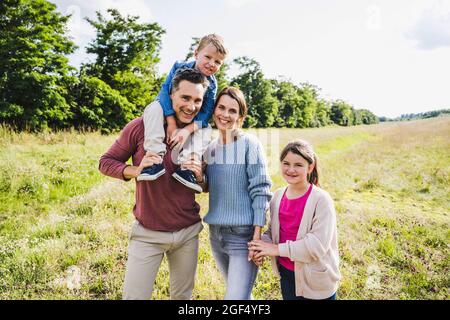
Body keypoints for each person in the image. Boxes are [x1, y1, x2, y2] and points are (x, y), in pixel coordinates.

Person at [98, 68, 210, 300]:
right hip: (147, 234)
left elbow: (206, 185)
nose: (191, 106)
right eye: (185, 98)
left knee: (183, 299)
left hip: (187, 233)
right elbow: (105, 162)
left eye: (197, 100)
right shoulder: (140, 127)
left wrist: (200, 176)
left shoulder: (201, 135)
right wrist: (136, 170)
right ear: (171, 96)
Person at [200, 87, 273, 300]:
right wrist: (198, 176)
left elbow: (261, 191)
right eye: (221, 107)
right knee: (241, 296)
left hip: (243, 236)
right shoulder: (210, 148)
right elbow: (208, 186)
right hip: (216, 234)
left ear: (241, 116)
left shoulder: (250, 144)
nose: (225, 114)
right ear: (214, 111)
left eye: (232, 110)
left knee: (235, 299)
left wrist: (257, 238)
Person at [248, 140, 341, 300]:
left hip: (317, 280)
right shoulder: (277, 196)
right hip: (287, 275)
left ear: (310, 167)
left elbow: (316, 246)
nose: (291, 170)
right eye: (286, 163)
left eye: (298, 165)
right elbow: (274, 231)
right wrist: (260, 246)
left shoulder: (321, 200)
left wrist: (275, 249)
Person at [138, 34, 228, 194]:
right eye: (208, 57)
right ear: (196, 54)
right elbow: (164, 93)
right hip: (168, 111)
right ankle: (154, 159)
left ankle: (187, 168)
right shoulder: (179, 67)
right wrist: (171, 121)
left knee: (206, 130)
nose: (211, 64)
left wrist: (187, 130)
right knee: (153, 108)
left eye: (218, 62)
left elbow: (206, 114)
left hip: (192, 121)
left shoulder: (212, 86)